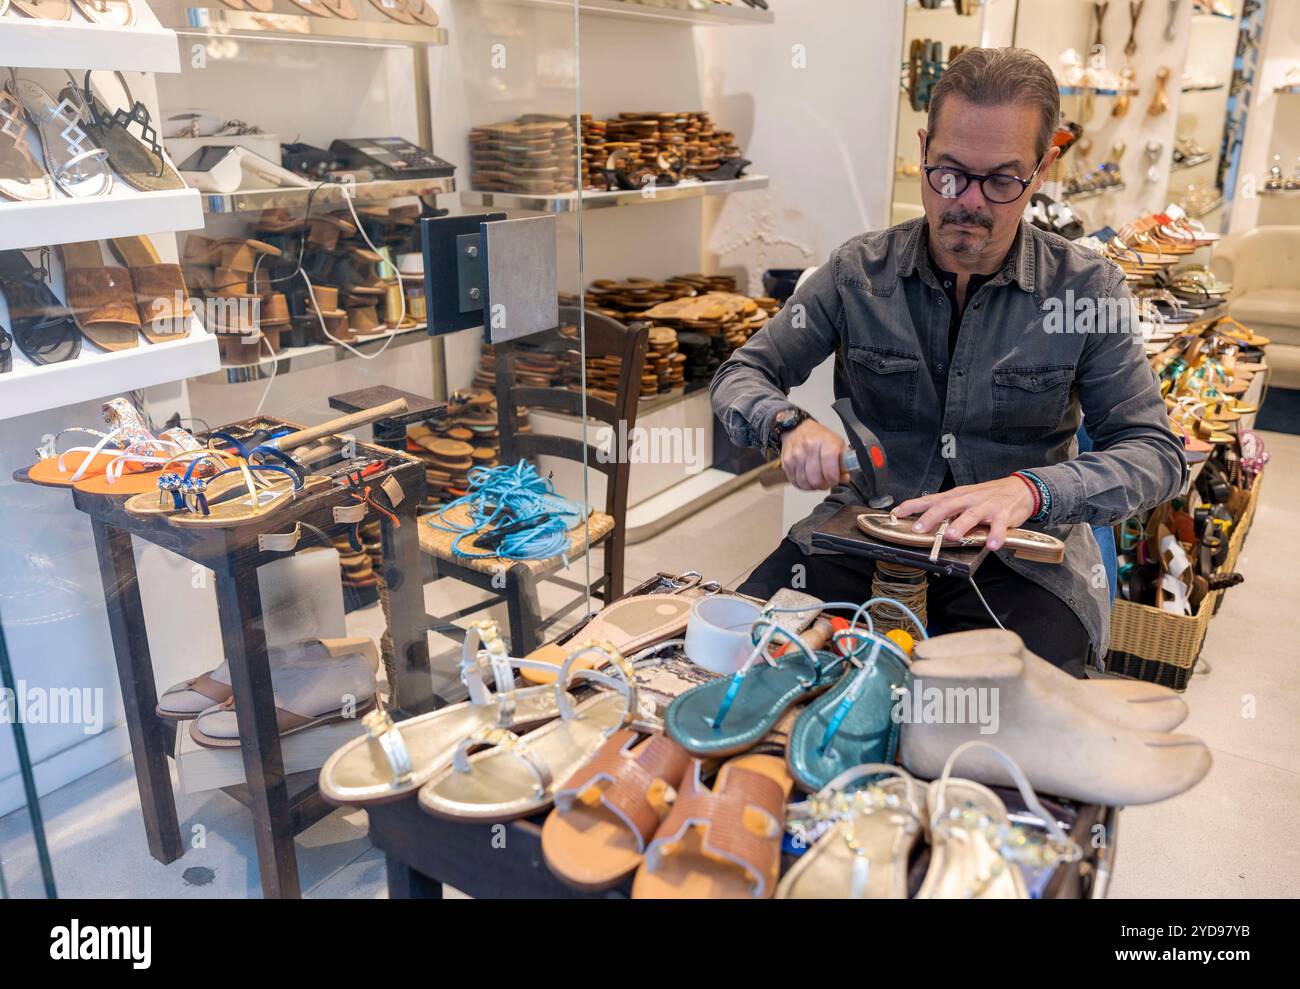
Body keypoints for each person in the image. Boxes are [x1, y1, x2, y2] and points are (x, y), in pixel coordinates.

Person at [710, 47, 1185, 677]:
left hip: (1014, 559)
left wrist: (1030, 490)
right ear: (924, 148)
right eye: (949, 173)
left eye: (1002, 180)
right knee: (735, 660)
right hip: (864, 534)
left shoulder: (1085, 291)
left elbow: (1155, 453)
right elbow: (740, 375)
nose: (969, 202)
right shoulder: (858, 272)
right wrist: (786, 423)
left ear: (1043, 169)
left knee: (1011, 724)